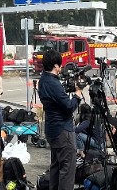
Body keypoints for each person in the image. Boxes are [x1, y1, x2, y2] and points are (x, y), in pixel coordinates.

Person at [37, 50, 82, 190]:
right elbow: (69, 106)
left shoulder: (43, 80)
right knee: (67, 169)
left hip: (52, 128)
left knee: (56, 167)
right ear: (56, 66)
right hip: (62, 129)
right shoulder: (53, 83)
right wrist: (77, 95)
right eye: (60, 65)